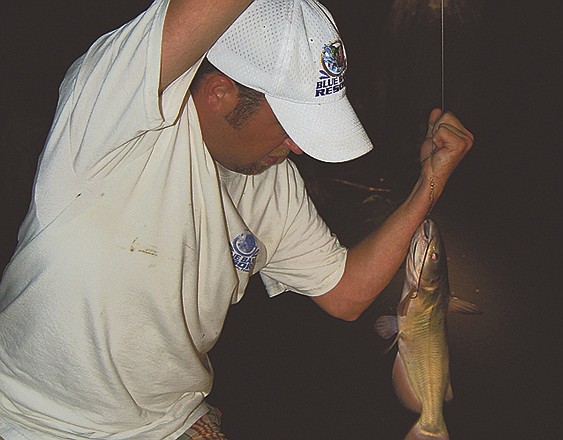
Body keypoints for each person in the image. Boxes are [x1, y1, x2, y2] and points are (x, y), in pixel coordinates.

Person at [0, 0, 474, 438]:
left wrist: (430, 182)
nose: (301, 147)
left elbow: (345, 293)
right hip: (32, 417)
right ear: (220, 93)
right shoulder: (120, 115)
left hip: (172, 422)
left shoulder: (273, 184)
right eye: (292, 127)